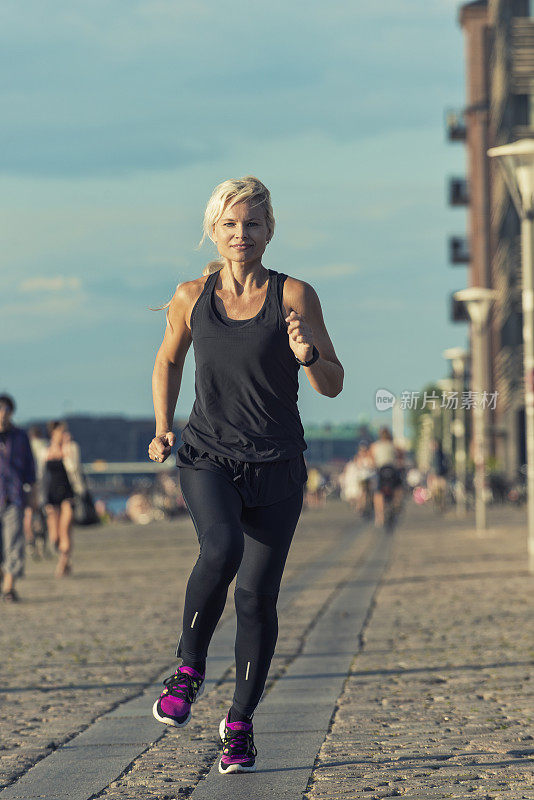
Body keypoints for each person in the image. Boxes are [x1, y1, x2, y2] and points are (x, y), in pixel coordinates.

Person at [148, 176, 343, 775]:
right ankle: (188, 669)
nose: (241, 234)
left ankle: (239, 725)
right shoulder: (191, 296)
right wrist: (162, 426)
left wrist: (308, 354)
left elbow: (334, 381)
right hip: (208, 455)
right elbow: (169, 359)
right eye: (230, 224)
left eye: (252, 224)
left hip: (278, 465)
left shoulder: (294, 297)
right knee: (221, 546)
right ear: (214, 230)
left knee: (258, 599)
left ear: (269, 230)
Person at [0, 394, 36, 601]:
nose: (2, 415)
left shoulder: (21, 437)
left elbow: (30, 469)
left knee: (13, 542)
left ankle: (9, 589)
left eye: (6, 410)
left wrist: (33, 496)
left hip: (13, 496)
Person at [38, 421, 84, 577]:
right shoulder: (44, 451)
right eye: (60, 431)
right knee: (54, 536)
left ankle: (62, 562)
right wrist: (41, 498)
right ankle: (64, 558)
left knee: (65, 530)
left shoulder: (72, 448)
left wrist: (66, 451)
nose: (64, 434)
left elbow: (74, 469)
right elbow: (41, 477)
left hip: (68, 493)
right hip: (51, 495)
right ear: (52, 433)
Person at [370, 426, 403, 528]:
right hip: (392, 470)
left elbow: (371, 460)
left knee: (378, 492)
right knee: (398, 487)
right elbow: (401, 458)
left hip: (381, 471)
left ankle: (379, 516)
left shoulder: (375, 446)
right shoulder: (394, 446)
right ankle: (397, 503)